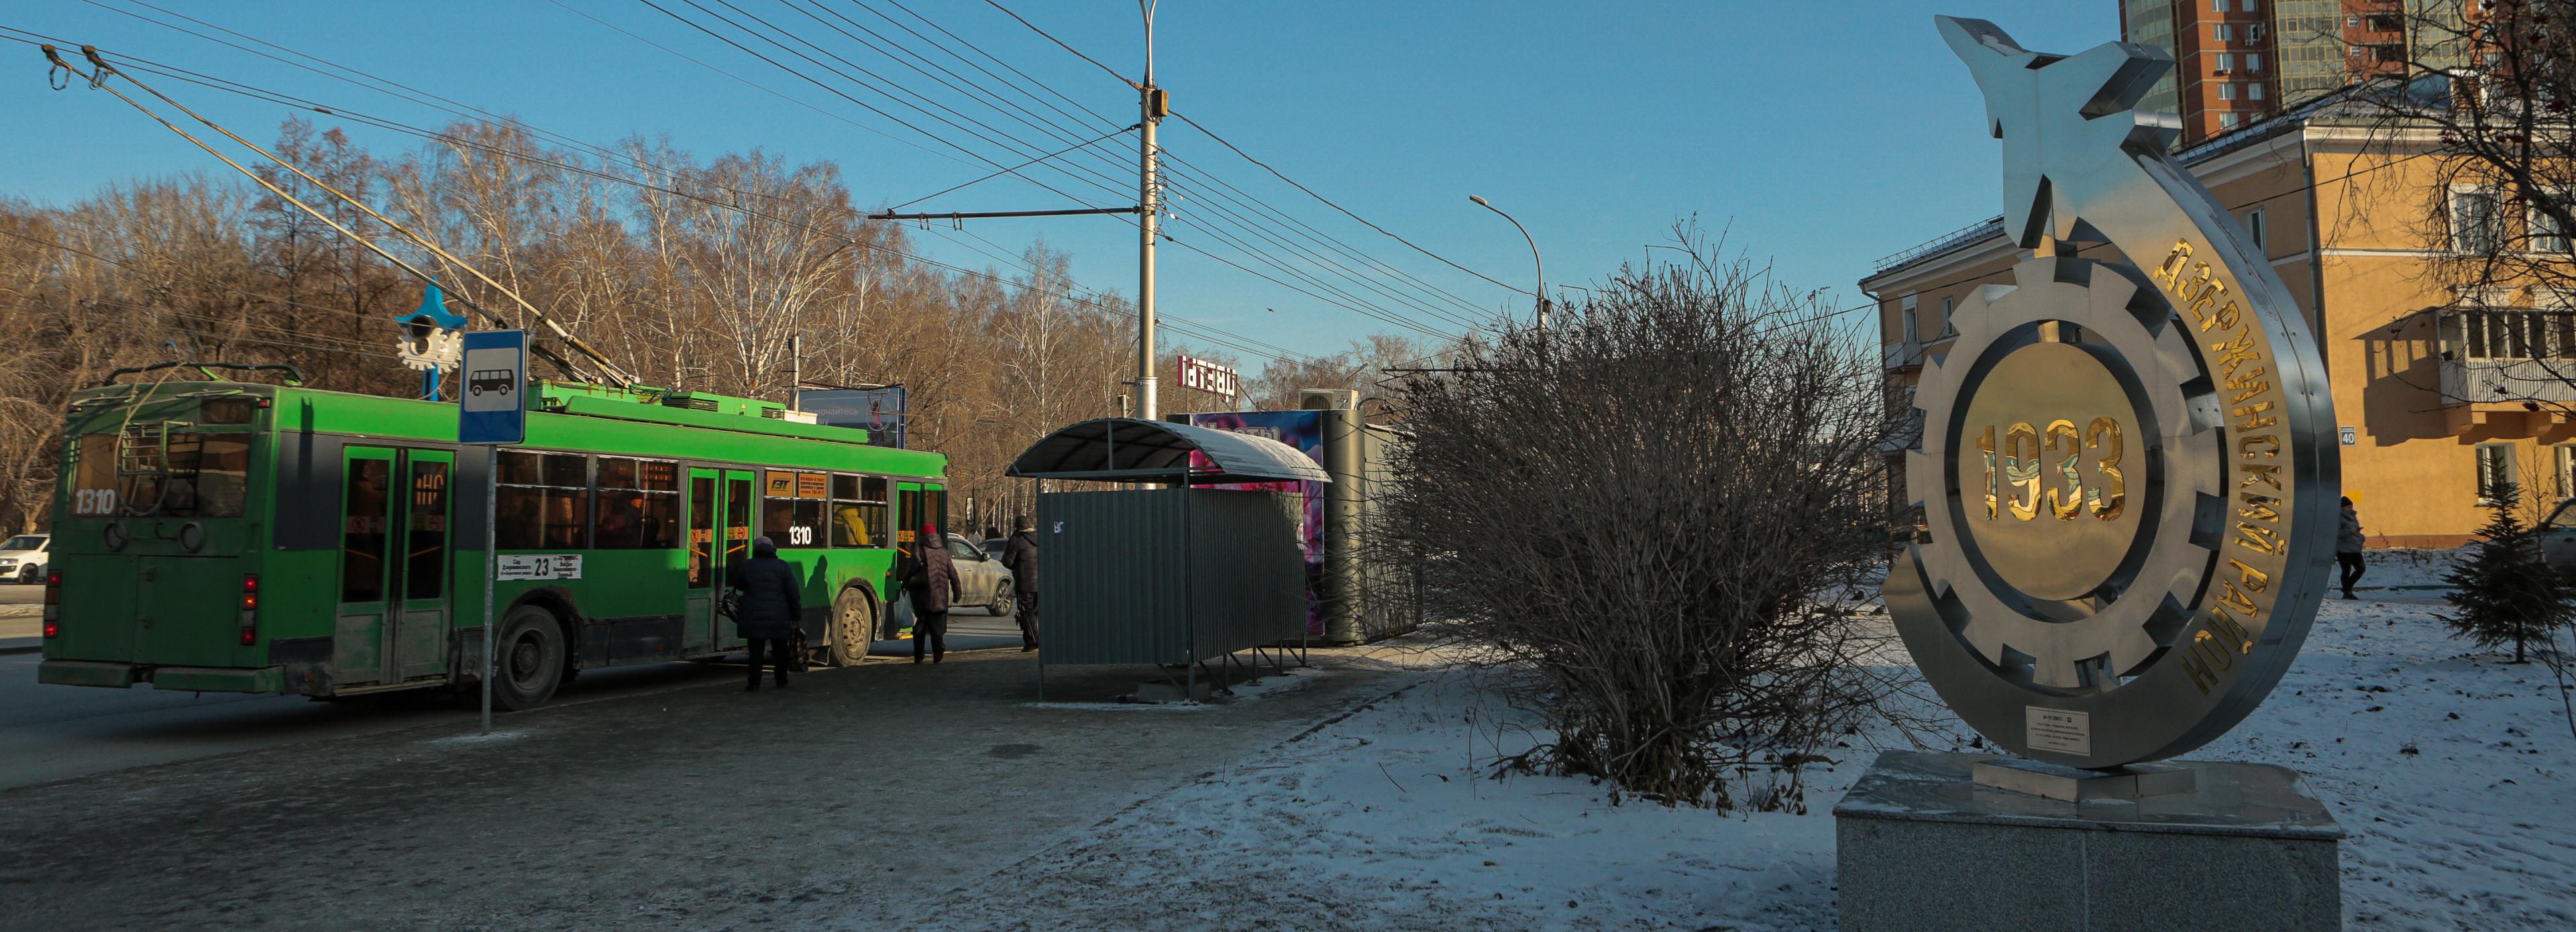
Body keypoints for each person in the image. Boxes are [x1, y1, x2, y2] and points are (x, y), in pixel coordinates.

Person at [727, 534, 802, 691]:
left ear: (755, 549)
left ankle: (754, 683)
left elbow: (739, 584)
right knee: (780, 649)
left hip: (753, 615)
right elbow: (793, 593)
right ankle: (781, 679)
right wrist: (796, 615)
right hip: (778, 616)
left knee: (755, 651)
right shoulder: (782, 566)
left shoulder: (748, 566)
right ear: (772, 549)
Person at [902, 522, 961, 664]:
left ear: (922, 536)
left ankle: (919, 657)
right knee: (937, 627)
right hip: (940, 595)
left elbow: (912, 569)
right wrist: (957, 593)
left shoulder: (920, 550)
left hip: (923, 595)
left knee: (920, 627)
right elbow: (953, 574)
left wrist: (904, 582)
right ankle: (938, 652)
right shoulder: (944, 552)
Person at [1002, 514, 1040, 652]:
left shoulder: (1017, 539)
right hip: (1040, 583)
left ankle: (1034, 641)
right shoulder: (1040, 537)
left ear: (1017, 527)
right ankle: (1030, 641)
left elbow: (1007, 561)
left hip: (1025, 583)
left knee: (1026, 613)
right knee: (1033, 613)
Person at [2337, 496, 2367, 600]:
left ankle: (2346, 588)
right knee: (2346, 570)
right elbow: (2337, 533)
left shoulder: (2354, 517)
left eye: (2351, 507)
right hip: (2343, 549)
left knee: (2361, 568)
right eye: (2348, 507)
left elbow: (2356, 532)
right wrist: (2350, 531)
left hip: (2355, 548)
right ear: (2342, 508)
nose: (2351, 509)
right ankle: (2347, 592)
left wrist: (2361, 537)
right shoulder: (2338, 517)